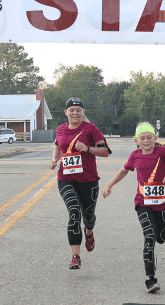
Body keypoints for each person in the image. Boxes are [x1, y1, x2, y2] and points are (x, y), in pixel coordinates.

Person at [101, 122, 165, 293]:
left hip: (161, 203)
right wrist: (109, 185)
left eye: (149, 137)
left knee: (160, 237)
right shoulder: (135, 156)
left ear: (155, 138)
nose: (146, 141)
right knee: (149, 236)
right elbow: (124, 171)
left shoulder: (164, 152)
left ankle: (152, 269)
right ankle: (150, 279)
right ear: (136, 140)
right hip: (142, 203)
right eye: (142, 138)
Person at [48, 97, 112, 269]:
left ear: (83, 112)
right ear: (66, 112)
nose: (75, 112)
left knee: (88, 217)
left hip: (89, 180)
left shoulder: (91, 129)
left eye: (78, 109)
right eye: (71, 109)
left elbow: (105, 151)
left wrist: (89, 149)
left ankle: (89, 231)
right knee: (74, 212)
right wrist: (55, 160)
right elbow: (58, 145)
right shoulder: (60, 129)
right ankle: (75, 256)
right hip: (66, 179)